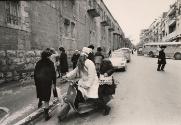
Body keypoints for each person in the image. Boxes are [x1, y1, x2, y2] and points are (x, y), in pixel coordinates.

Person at [34, 50, 56, 121]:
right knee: (46, 99)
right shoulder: (50, 63)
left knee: (40, 94)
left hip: (39, 82)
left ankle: (40, 102)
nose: (50, 57)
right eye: (49, 56)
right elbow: (53, 74)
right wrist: (54, 83)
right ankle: (46, 114)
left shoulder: (38, 63)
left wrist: (36, 83)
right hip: (47, 82)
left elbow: (35, 74)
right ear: (48, 56)